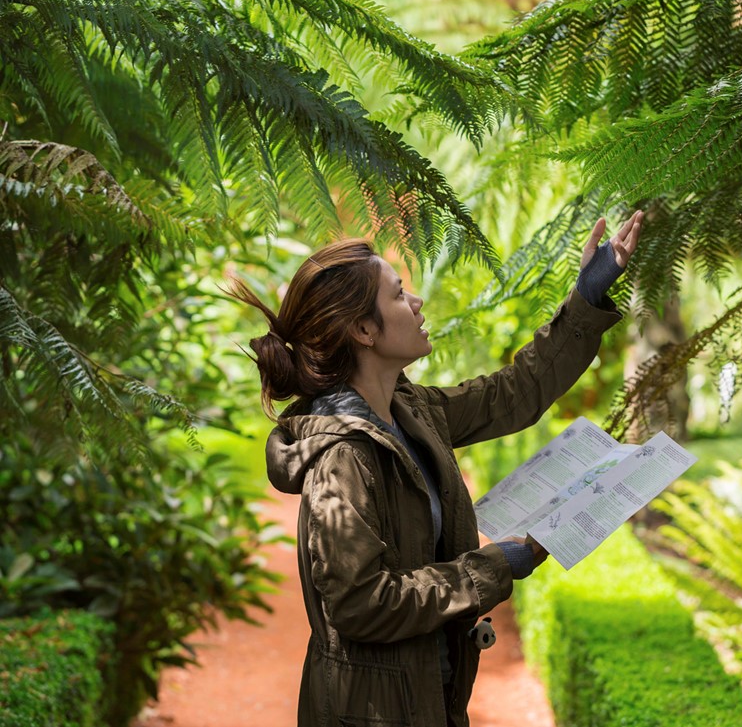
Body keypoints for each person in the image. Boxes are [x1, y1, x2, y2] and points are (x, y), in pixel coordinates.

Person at [228, 211, 643, 727]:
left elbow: (513, 393)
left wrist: (585, 299)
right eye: (399, 294)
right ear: (363, 329)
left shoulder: (410, 411)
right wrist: (494, 568)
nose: (416, 302)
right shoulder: (343, 461)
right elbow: (361, 604)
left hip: (432, 699)